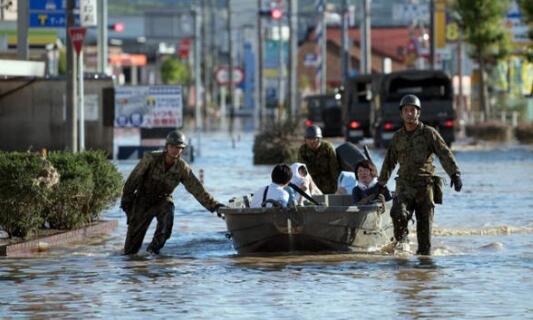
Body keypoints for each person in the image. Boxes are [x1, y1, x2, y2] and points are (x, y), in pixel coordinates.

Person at [377, 94, 462, 255]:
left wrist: (455, 174)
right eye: (406, 110)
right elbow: (389, 162)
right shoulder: (398, 137)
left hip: (425, 187)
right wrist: (381, 184)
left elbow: (444, 153)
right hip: (404, 185)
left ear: (418, 113)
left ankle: (422, 274)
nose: (409, 113)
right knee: (397, 213)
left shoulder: (429, 133)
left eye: (412, 110)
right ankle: (403, 242)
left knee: (425, 245)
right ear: (401, 114)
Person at [120, 130, 224, 255]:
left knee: (167, 218)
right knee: (130, 251)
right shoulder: (151, 158)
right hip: (143, 200)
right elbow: (133, 179)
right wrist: (126, 202)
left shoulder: (182, 168)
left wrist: (215, 206)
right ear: (167, 146)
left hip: (162, 200)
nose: (175, 150)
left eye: (179, 147)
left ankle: (152, 251)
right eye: (172, 146)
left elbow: (197, 189)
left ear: (182, 149)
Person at [298, 125, 339, 194]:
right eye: (309, 139)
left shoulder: (327, 148)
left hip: (329, 185)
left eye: (314, 139)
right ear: (305, 140)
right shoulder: (303, 150)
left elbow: (334, 169)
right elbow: (301, 171)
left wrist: (337, 186)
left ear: (319, 139)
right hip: (312, 185)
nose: (312, 142)